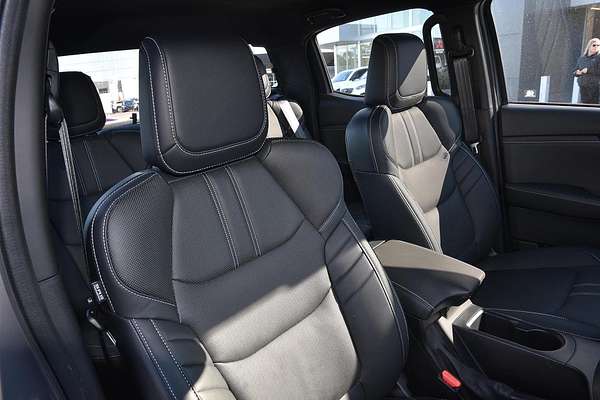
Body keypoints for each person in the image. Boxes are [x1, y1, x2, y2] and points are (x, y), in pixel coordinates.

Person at [575, 38, 600, 104]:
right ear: (589, 46)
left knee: (594, 107)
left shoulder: (598, 58)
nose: (596, 47)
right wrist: (577, 72)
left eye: (598, 45)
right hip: (583, 88)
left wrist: (588, 70)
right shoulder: (582, 58)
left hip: (596, 89)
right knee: (585, 107)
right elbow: (575, 70)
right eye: (594, 45)